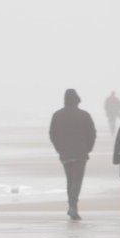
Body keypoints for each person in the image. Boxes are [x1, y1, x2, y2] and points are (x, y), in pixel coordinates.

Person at [49, 89, 97, 222]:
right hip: (81, 153)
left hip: (65, 153)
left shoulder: (57, 115)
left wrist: (59, 149)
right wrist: (88, 148)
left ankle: (72, 206)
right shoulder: (84, 115)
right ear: (77, 99)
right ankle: (73, 207)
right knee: (76, 181)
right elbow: (92, 133)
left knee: (70, 181)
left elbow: (52, 134)